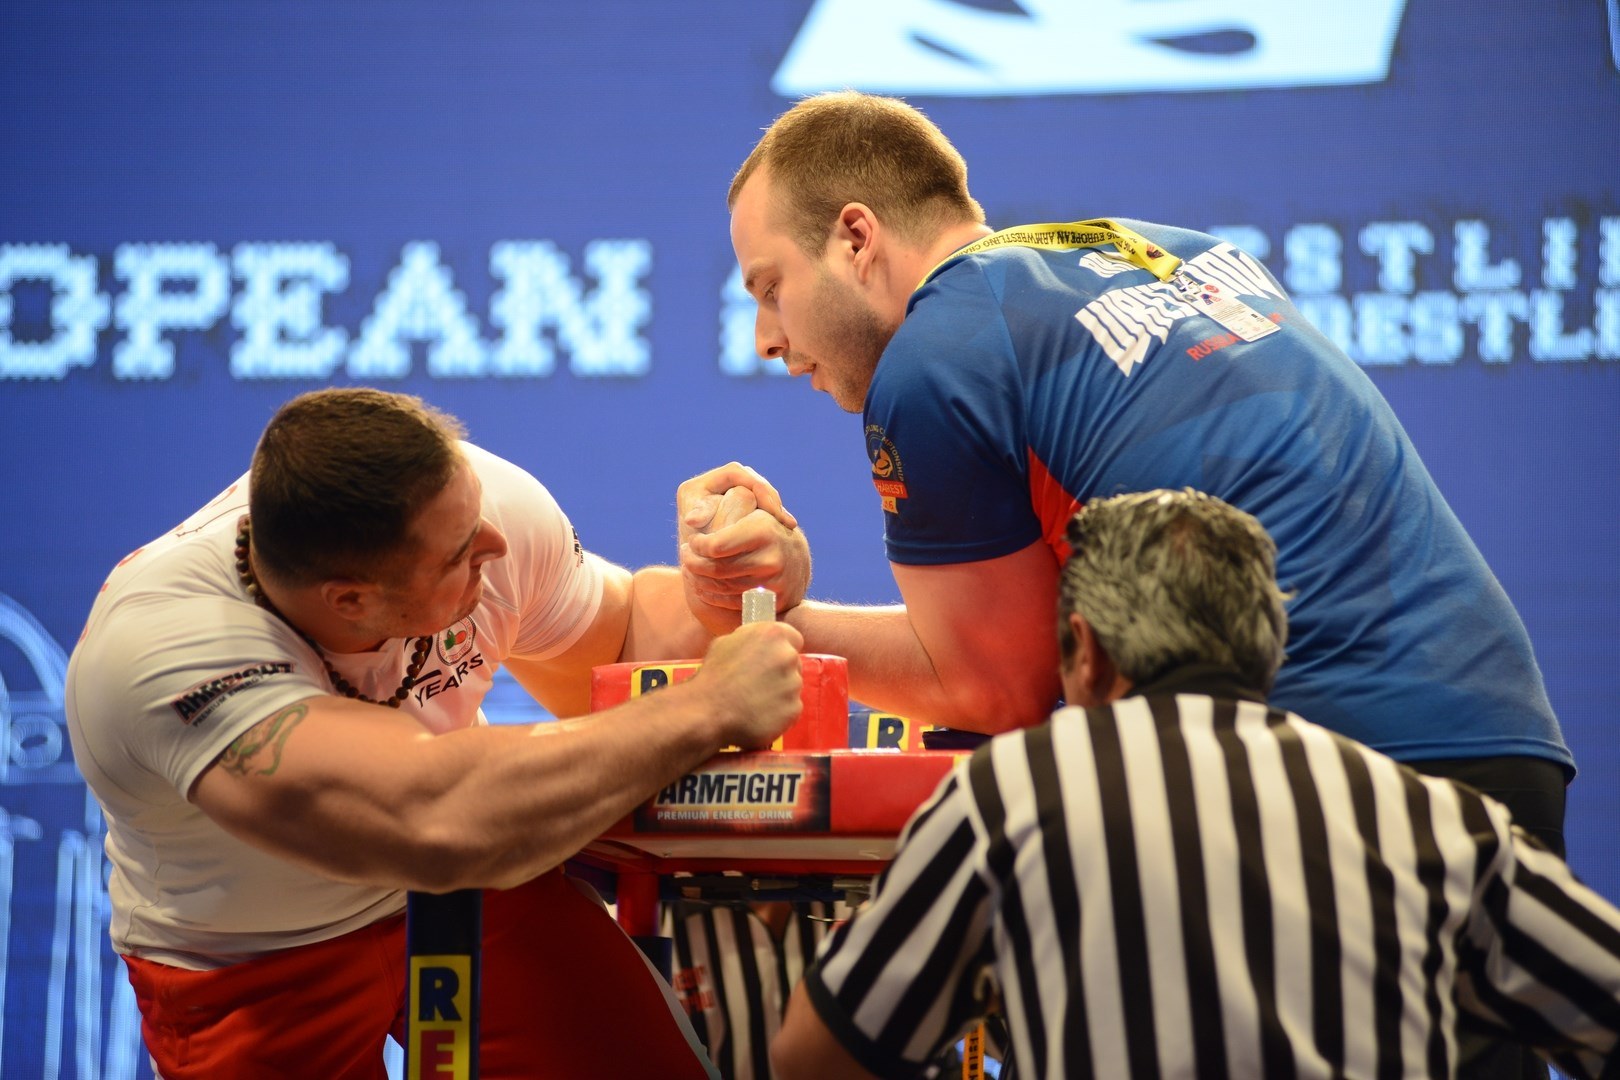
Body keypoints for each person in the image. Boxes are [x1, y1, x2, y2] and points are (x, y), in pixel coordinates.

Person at [683, 91, 1572, 854]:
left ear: (855, 238)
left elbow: (998, 690)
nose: (767, 337)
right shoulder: (1166, 249)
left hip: (1329, 779)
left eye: (769, 287)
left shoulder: (937, 355)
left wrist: (779, 623)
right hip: (1502, 739)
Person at [64, 387, 810, 1079]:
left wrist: (731, 584)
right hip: (251, 957)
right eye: (460, 555)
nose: (494, 543)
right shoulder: (166, 648)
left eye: (476, 516)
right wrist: (707, 704)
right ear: (351, 599)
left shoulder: (460, 506)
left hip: (471, 894)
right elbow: (433, 818)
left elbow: (619, 642)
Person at [770, 489, 1620, 1080]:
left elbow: (817, 1059)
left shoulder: (1013, 796)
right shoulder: (1433, 820)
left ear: (1087, 650)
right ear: (1266, 650)